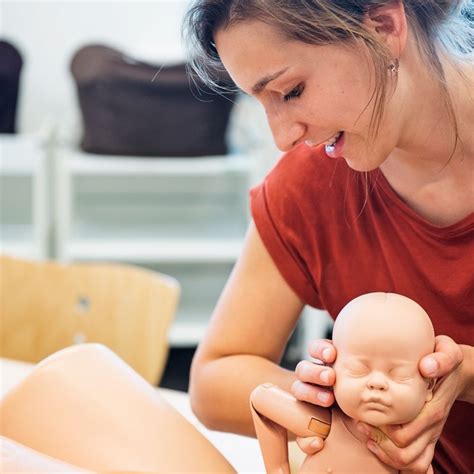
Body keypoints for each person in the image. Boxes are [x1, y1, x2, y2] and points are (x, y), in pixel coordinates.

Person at [183, 1, 473, 472]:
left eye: (291, 91)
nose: (282, 137)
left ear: (383, 26)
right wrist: (329, 399)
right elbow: (215, 375)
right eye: (262, 102)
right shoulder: (313, 181)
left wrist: (465, 375)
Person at [250, 293, 437, 473]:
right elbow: (262, 400)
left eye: (399, 375)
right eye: (358, 370)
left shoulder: (409, 454)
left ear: (429, 385)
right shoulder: (321, 425)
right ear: (330, 368)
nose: (377, 383)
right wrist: (278, 469)